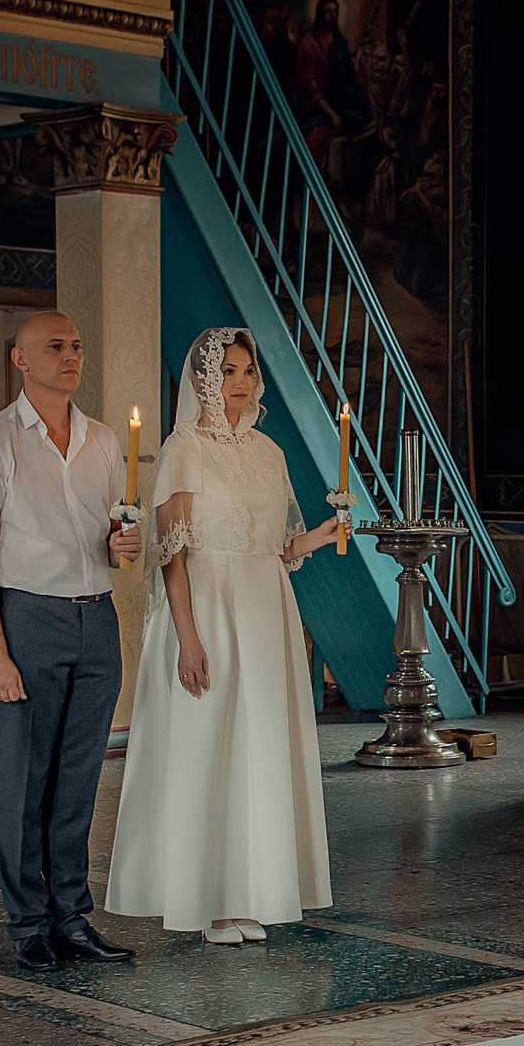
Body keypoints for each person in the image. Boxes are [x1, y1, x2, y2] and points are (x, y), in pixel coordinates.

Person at [106, 328, 347, 945]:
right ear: (204, 380)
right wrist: (187, 638)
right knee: (208, 744)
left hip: (268, 609)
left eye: (247, 371)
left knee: (260, 747)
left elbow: (280, 547)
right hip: (206, 606)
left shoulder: (268, 450)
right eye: (228, 371)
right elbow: (171, 557)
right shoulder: (183, 448)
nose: (240, 383)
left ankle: (250, 894)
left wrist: (322, 533)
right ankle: (206, 899)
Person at [0, 311, 144, 974]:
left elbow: (110, 537)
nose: (71, 356)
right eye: (55, 346)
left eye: (77, 346)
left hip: (96, 619)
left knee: (78, 780)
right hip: (28, 619)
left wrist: (121, 547)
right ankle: (29, 922)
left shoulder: (102, 441)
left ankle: (71, 916)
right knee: (25, 780)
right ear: (20, 359)